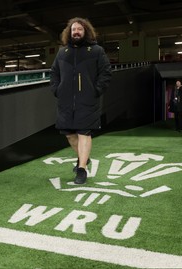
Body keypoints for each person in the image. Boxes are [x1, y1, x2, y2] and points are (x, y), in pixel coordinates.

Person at [50, 17, 112, 184]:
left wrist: (95, 91)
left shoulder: (97, 50)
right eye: (73, 30)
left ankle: (81, 169)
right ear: (69, 33)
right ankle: (83, 158)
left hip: (87, 100)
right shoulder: (62, 52)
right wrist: (57, 89)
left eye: (79, 29)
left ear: (86, 32)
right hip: (65, 102)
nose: (76, 32)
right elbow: (54, 73)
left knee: (84, 132)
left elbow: (106, 73)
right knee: (70, 134)